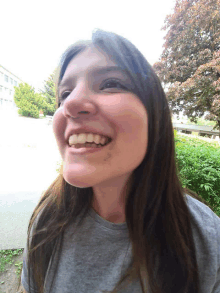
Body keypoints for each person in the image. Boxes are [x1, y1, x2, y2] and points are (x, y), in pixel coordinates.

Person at [21, 30, 220, 293]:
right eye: (65, 93)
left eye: (110, 83)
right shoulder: (47, 218)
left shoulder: (206, 236)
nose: (71, 104)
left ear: (155, 117)